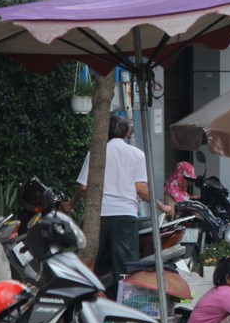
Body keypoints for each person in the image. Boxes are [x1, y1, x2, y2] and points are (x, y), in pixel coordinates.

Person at [63, 115, 166, 293]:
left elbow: (83, 187)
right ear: (127, 133)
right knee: (125, 265)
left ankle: (85, 297)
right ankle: (124, 303)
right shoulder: (137, 154)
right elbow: (140, 189)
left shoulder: (96, 152)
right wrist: (161, 206)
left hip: (98, 216)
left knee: (90, 261)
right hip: (125, 216)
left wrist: (71, 204)